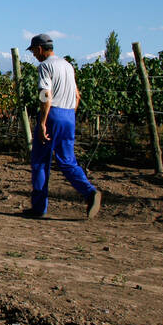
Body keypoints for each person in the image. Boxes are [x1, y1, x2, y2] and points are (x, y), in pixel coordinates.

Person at [22, 33, 101, 219]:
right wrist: (69, 115)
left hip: (53, 115)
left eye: (34, 50)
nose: (34, 54)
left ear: (40, 48)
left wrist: (43, 122)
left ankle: (39, 208)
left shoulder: (45, 66)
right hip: (68, 115)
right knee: (67, 161)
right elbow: (77, 95)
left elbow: (45, 95)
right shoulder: (67, 65)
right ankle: (89, 192)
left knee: (40, 162)